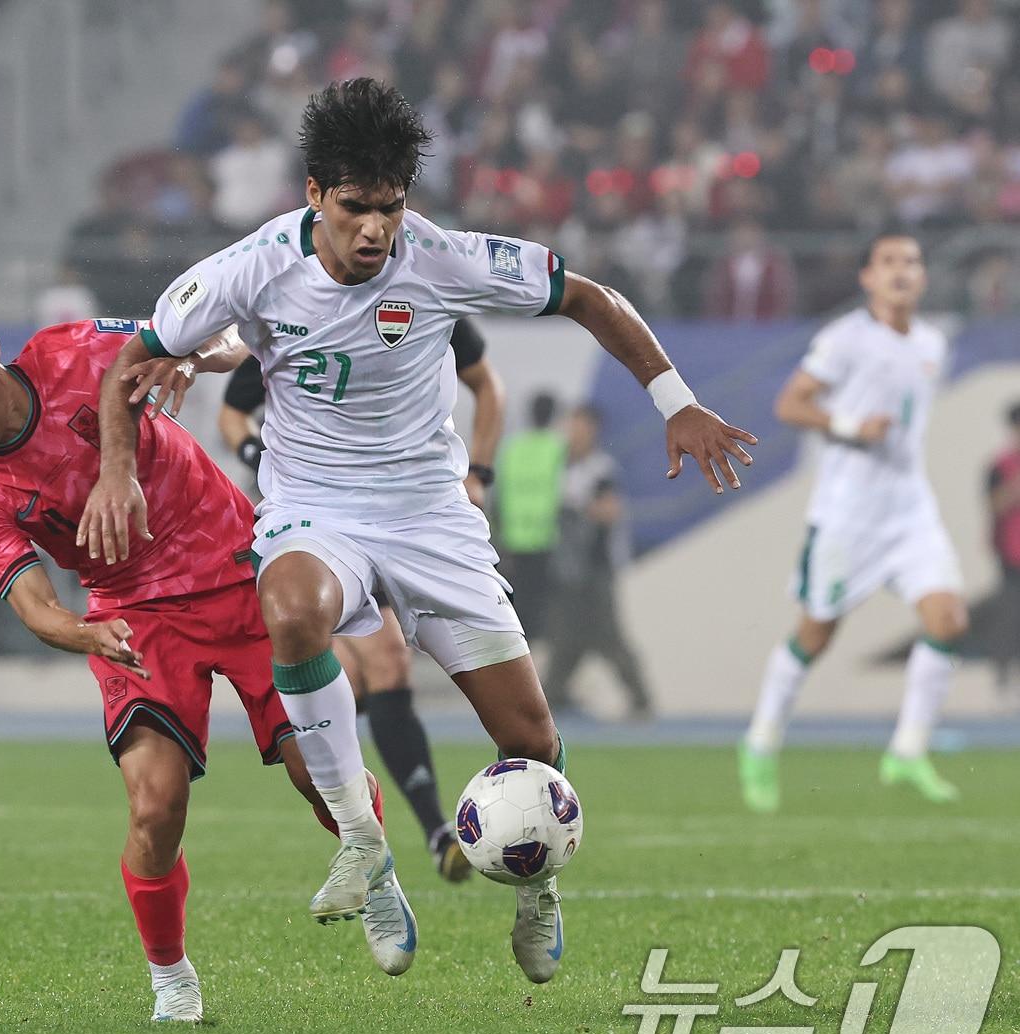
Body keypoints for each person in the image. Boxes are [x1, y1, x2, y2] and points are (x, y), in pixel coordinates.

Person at [81, 78, 756, 985]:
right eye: (356, 208)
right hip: (316, 509)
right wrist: (122, 464)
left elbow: (590, 295)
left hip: (431, 516)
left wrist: (677, 402)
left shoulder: (441, 257)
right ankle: (365, 846)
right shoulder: (248, 267)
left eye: (391, 208)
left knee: (533, 739)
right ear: (315, 193)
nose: (375, 231)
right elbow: (134, 357)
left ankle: (535, 881)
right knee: (289, 608)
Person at [0, 304, 397, 1026]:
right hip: (135, 616)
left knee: (317, 775)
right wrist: (87, 635)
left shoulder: (74, 349)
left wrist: (188, 360)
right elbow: (33, 606)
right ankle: (172, 981)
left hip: (238, 570)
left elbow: (217, 335)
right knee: (154, 805)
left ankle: (374, 871)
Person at [218, 317, 506, 881]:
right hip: (312, 530)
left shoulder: (428, 296)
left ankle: (426, 832)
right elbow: (233, 411)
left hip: (400, 519)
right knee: (356, 674)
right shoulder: (295, 316)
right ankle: (376, 841)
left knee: (385, 664)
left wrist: (481, 472)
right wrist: (258, 454)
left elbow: (487, 384)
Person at [740, 231, 968, 812]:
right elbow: (790, 403)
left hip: (910, 509)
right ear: (867, 276)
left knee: (947, 617)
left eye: (912, 262)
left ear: (923, 275)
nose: (902, 271)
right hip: (848, 514)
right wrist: (848, 425)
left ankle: (908, 751)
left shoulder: (933, 343)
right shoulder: (844, 339)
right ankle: (761, 742)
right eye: (889, 262)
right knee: (816, 634)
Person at [542, 404, 654, 720]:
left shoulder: (600, 469)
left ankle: (641, 701)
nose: (573, 433)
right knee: (564, 639)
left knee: (609, 637)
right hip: (566, 569)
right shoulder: (560, 467)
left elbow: (610, 510)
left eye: (580, 426)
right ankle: (552, 698)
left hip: (596, 569)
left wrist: (577, 508)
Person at [496, 392, 566, 649]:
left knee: (521, 604)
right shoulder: (558, 447)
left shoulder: (512, 447)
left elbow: (500, 493)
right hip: (546, 537)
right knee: (545, 606)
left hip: (514, 537)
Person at [986, 402, 1020, 709]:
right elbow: (993, 507)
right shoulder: (1001, 466)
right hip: (1012, 555)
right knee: (1010, 619)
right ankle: (1004, 681)